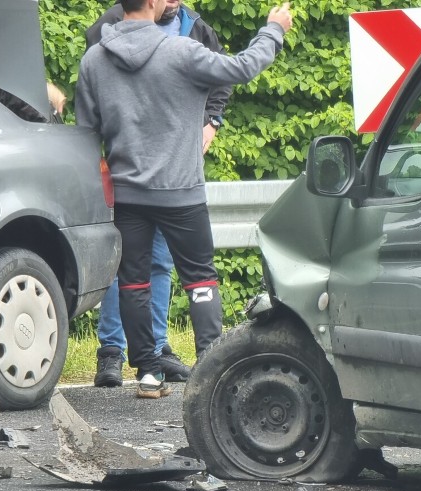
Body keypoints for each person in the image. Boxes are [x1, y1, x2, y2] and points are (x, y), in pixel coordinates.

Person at [76, 0, 292, 398]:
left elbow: (86, 134)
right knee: (201, 281)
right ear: (155, 3)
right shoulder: (181, 51)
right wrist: (272, 29)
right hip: (182, 192)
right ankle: (211, 368)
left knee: (133, 283)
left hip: (127, 194)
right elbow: (242, 68)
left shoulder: (93, 61)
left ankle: (147, 374)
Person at [86, 0, 232, 388]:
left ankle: (152, 361)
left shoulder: (194, 28)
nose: (175, 2)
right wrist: (273, 32)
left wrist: (211, 122)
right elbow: (235, 69)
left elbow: (221, 81)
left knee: (148, 272)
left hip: (144, 181)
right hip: (170, 185)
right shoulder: (113, 27)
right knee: (169, 276)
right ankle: (115, 353)